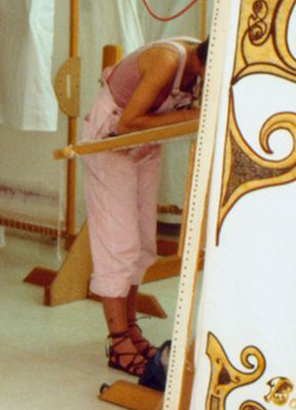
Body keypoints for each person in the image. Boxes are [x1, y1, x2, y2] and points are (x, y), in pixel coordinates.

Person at [79, 37, 206, 376]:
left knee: (142, 247)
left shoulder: (197, 66)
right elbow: (127, 123)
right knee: (119, 246)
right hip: (111, 140)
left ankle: (131, 330)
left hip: (144, 144)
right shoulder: (169, 60)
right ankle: (119, 343)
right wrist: (195, 114)